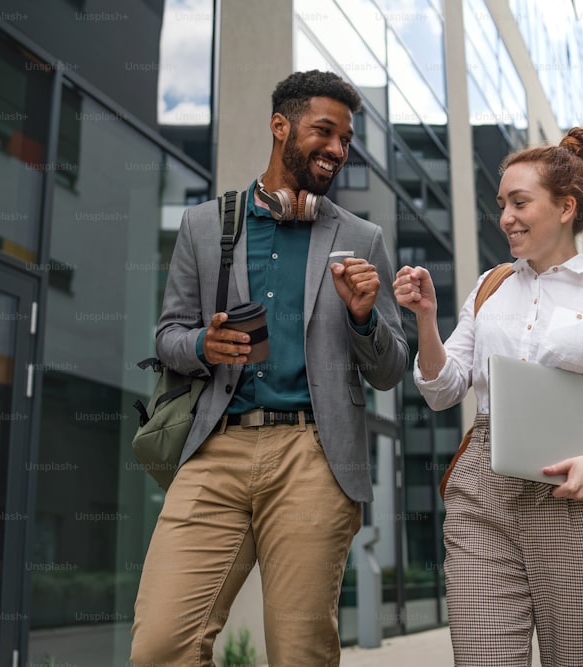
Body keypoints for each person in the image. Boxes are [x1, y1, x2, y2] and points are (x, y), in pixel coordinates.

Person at [130, 70, 409, 666]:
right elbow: (167, 336)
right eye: (324, 132)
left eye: (346, 139)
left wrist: (364, 319)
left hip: (315, 456)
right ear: (281, 126)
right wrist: (204, 347)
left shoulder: (362, 238)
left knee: (300, 653)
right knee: (160, 647)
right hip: (214, 451)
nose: (337, 149)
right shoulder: (205, 226)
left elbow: (390, 371)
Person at [393, 128, 583, 666]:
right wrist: (424, 321)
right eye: (501, 204)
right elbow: (442, 390)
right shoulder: (490, 286)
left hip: (580, 499)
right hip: (484, 494)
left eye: (519, 202)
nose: (505, 216)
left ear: (565, 207)